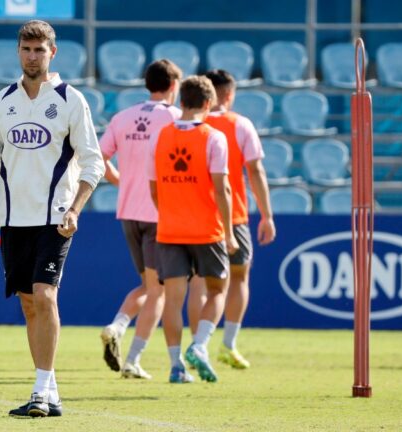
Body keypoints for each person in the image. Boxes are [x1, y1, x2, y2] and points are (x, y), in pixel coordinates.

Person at [0, 20, 104, 417]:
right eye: (26, 49)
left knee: (45, 295)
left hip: (55, 216)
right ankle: (50, 389)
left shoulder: (70, 99)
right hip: (13, 218)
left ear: (53, 52)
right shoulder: (2, 101)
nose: (33, 56)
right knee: (29, 304)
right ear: (18, 52)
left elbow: (93, 163)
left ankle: (41, 391)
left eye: (39, 50)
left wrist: (75, 209)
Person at [149, 75, 238, 383]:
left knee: (173, 299)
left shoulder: (160, 136)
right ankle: (199, 346)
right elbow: (222, 188)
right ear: (209, 103)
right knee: (218, 289)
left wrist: (169, 214)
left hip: (170, 229)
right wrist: (228, 232)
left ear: (182, 101)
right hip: (206, 229)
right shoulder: (214, 137)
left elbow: (154, 188)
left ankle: (176, 366)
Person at [186, 69, 276, 370]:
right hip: (233, 215)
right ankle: (226, 344)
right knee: (238, 277)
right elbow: (255, 171)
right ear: (228, 94)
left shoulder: (188, 124)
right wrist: (266, 214)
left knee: (199, 283)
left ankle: (198, 346)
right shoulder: (239, 124)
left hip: (195, 215)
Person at [98, 59, 183, 380]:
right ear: (173, 86)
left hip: (128, 212)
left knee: (149, 285)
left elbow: (99, 156)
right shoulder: (176, 119)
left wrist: (121, 181)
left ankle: (117, 327)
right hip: (159, 213)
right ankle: (132, 358)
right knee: (158, 290)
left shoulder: (123, 117)